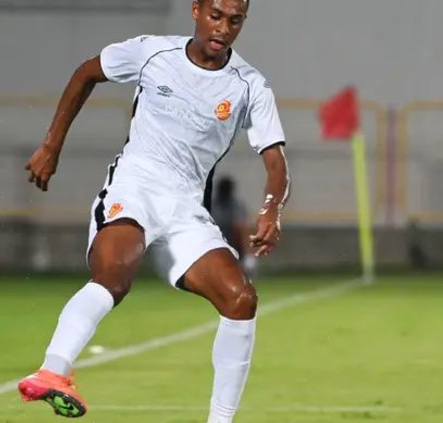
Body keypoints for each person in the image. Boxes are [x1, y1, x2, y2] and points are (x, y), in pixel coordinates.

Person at [19, 0, 290, 421]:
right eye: (216, 16)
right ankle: (53, 371)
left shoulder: (249, 85)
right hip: (134, 188)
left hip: (186, 210)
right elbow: (86, 73)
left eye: (235, 20)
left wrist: (272, 209)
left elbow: (276, 164)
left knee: (241, 300)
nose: (224, 28)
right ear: (196, 10)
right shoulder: (152, 53)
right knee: (114, 276)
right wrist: (51, 145)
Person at [210, 176, 257, 275]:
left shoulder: (236, 205)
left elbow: (242, 229)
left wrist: (248, 254)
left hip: (234, 247)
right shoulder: (213, 205)